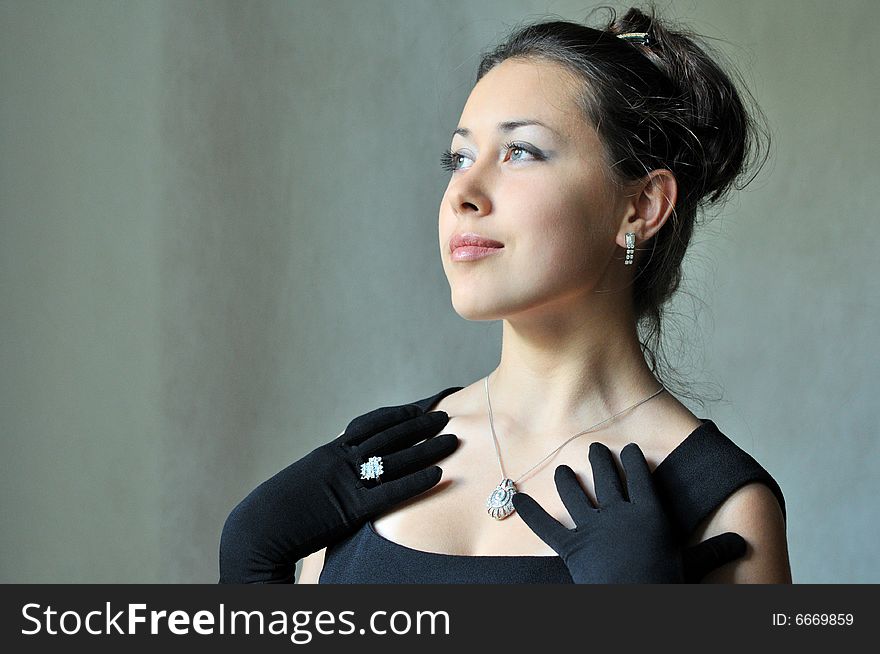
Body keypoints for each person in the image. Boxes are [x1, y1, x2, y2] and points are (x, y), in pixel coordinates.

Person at [222, 4, 791, 584]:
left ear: (641, 206)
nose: (462, 193)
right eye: (459, 158)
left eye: (520, 151)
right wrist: (249, 570)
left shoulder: (721, 506)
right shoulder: (380, 458)